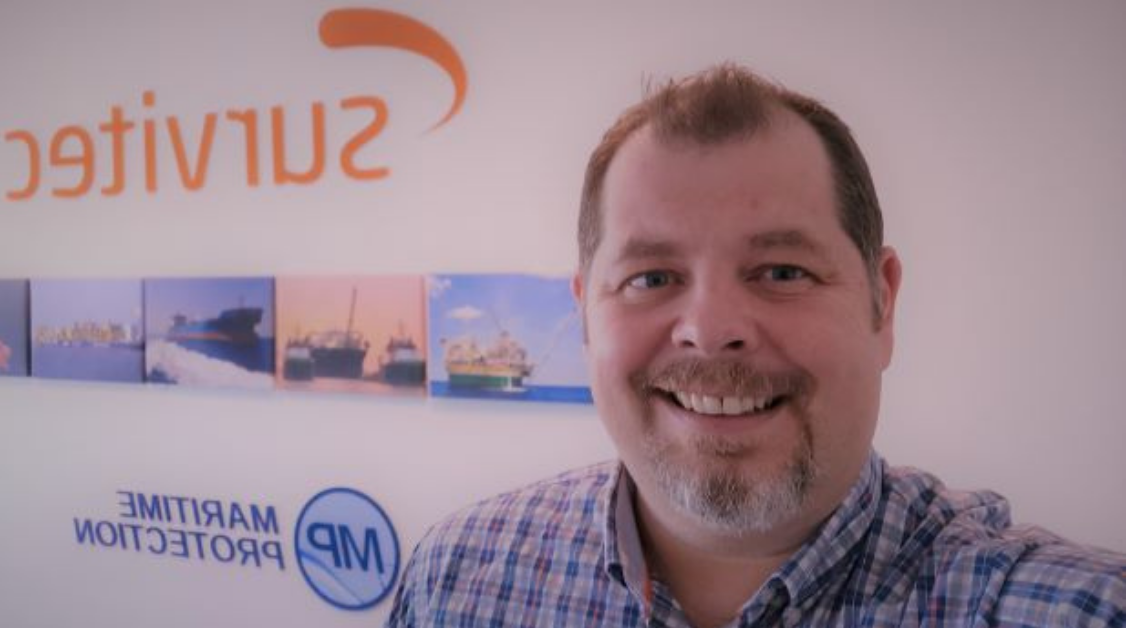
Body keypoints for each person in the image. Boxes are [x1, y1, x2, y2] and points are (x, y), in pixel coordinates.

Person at [386, 64, 1125, 627]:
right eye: (651, 278)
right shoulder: (455, 581)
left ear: (883, 303)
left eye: (782, 271)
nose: (711, 330)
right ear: (585, 316)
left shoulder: (1075, 611)